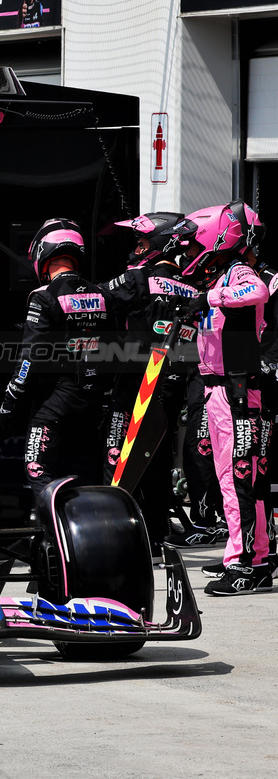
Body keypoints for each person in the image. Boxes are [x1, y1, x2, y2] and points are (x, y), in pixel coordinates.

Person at [165, 204, 272, 595]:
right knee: (241, 479)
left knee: (237, 479)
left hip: (237, 390)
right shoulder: (219, 277)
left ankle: (242, 564)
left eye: (193, 247)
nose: (189, 255)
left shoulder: (238, 273)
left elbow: (256, 289)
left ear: (216, 240)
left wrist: (209, 299)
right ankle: (253, 557)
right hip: (221, 389)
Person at [102, 212, 197, 551]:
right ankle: (156, 534)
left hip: (136, 382)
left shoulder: (138, 278)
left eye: (141, 241)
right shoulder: (190, 283)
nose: (135, 248)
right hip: (173, 384)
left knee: (118, 454)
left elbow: (94, 302)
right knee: (156, 458)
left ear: (158, 243)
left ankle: (114, 531)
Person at [0, 218, 112, 500]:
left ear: (42, 253)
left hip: (60, 397)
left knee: (36, 467)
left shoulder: (43, 296)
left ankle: (53, 538)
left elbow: (30, 357)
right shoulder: (103, 294)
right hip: (96, 400)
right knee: (85, 474)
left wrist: (11, 399)